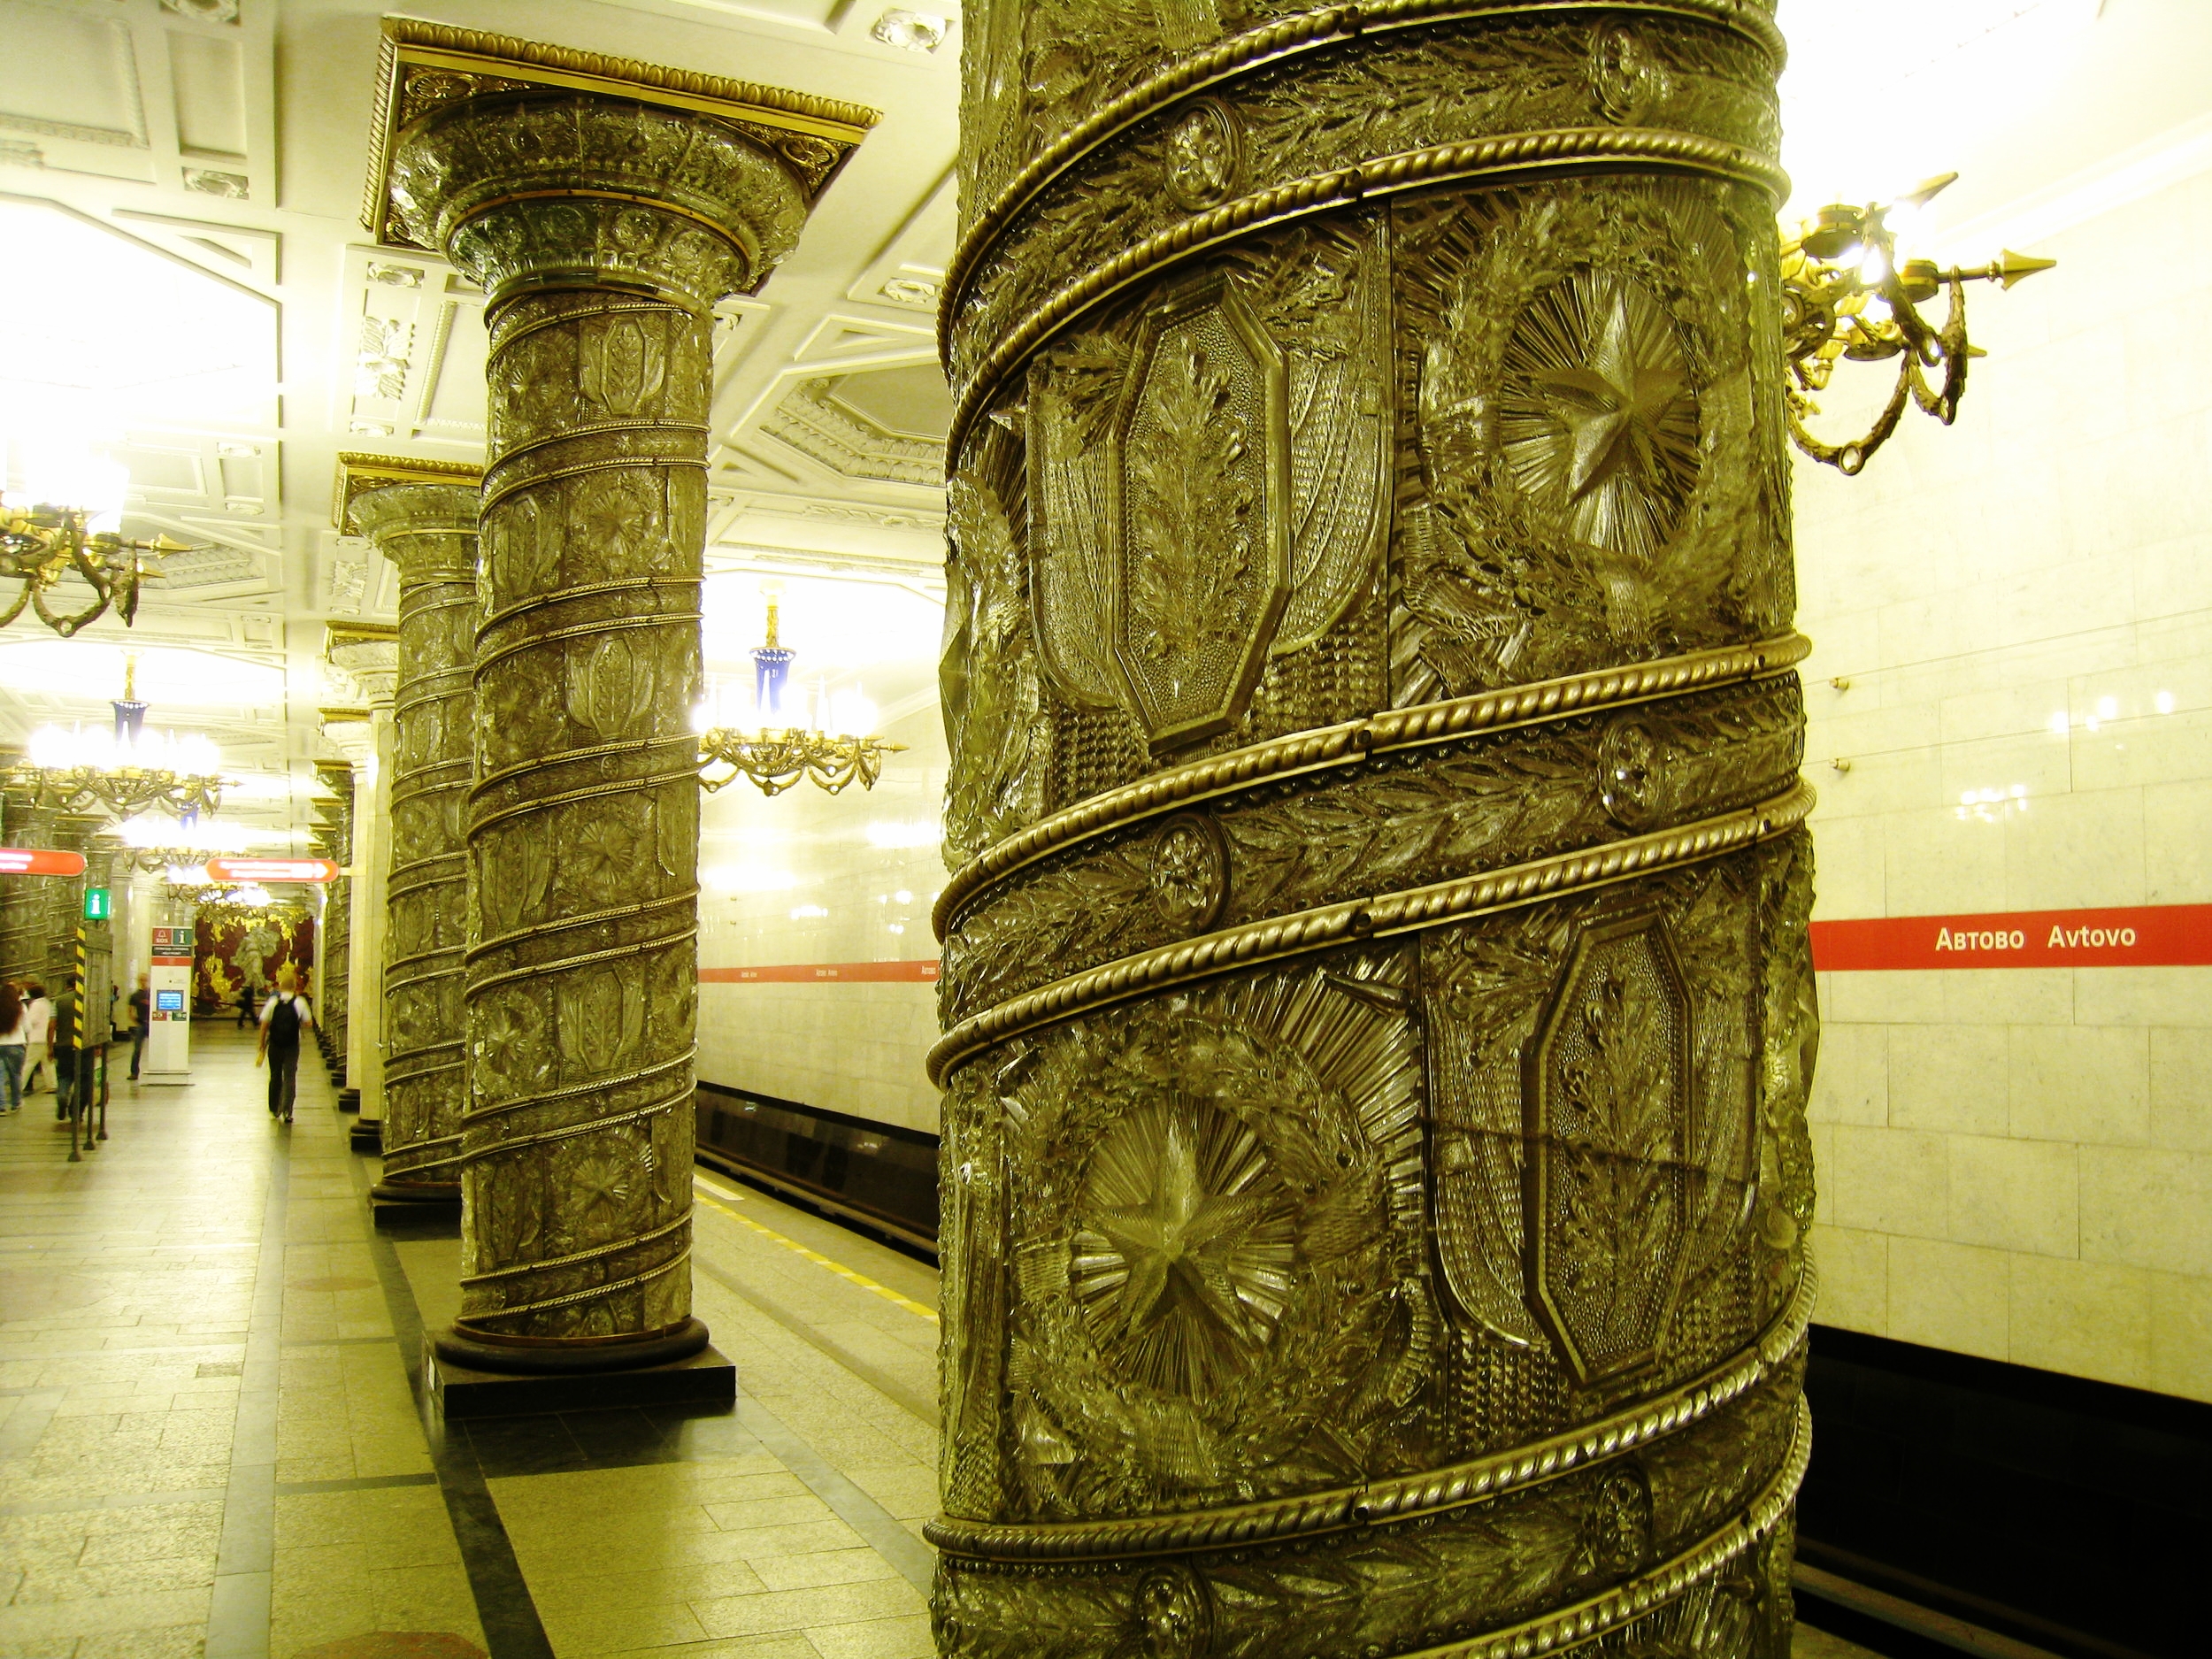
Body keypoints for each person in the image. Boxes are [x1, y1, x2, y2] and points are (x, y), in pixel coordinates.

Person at [256, 965, 312, 1125]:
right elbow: (308, 1022)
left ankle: (275, 1107)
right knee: (290, 1076)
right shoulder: (300, 1002)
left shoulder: (273, 1002)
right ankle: (288, 1110)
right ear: (294, 987)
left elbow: (264, 1024)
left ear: (280, 987)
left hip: (275, 1044)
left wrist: (261, 1044)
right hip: (292, 1045)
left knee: (275, 1075)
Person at [48, 978, 78, 1123]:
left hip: (63, 1044)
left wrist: (50, 1046)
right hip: (83, 1047)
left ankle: (62, 1096)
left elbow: (52, 1025)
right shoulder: (87, 1000)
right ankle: (74, 1109)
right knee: (82, 1078)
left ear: (67, 986)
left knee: (64, 1075)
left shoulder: (58, 1001)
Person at [0, 981, 25, 1114]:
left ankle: (1, 1106)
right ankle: (16, 1103)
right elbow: (27, 1027)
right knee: (15, 1075)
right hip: (16, 1044)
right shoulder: (20, 1007)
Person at [23, 980, 50, 1094]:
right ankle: (52, 1084)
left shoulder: (36, 1005)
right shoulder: (47, 1003)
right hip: (47, 1037)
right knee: (48, 1063)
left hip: (36, 1038)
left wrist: (25, 1030)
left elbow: (31, 1021)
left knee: (29, 1063)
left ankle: (19, 1085)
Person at [127, 972, 150, 1082]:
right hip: (141, 1023)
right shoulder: (135, 996)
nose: (144, 982)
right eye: (142, 980)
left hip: (152, 1024)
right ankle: (134, 1072)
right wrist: (136, 1021)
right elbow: (130, 1011)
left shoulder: (152, 993)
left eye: (145, 980)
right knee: (137, 1049)